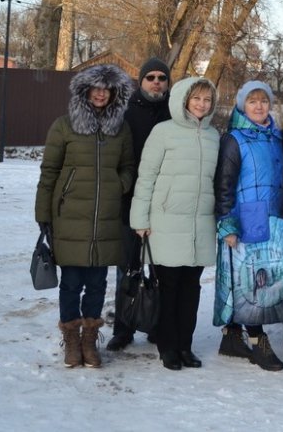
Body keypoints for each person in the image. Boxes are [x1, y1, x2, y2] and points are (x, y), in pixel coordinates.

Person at [35, 64, 135, 368]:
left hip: (105, 218)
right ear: (85, 91)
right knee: (71, 283)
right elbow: (49, 171)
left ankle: (90, 341)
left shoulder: (121, 129)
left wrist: (118, 185)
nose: (101, 93)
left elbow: (128, 166)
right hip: (69, 218)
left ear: (114, 93)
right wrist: (43, 213)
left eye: (107, 88)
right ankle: (71, 340)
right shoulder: (64, 126)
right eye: (96, 87)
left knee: (97, 283)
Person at [130, 77, 220, 371]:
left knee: (191, 289)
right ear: (184, 100)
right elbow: (147, 178)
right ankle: (167, 346)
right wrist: (140, 219)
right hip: (166, 222)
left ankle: (185, 345)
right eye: (197, 99)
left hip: (199, 225)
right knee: (168, 289)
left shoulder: (213, 136)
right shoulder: (163, 132)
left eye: (207, 100)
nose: (202, 105)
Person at [214, 81, 283, 371]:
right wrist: (227, 225)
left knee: (265, 276)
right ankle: (257, 339)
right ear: (242, 105)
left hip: (273, 219)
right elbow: (224, 185)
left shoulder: (275, 137)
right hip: (245, 218)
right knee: (252, 280)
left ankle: (231, 337)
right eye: (252, 101)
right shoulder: (234, 139)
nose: (259, 106)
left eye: (264, 101)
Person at [108, 57, 172, 352]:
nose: (156, 82)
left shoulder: (176, 112)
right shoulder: (126, 112)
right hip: (131, 200)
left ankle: (158, 326)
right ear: (141, 81)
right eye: (151, 77)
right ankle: (123, 327)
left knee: (161, 269)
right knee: (128, 267)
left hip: (166, 203)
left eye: (161, 77)